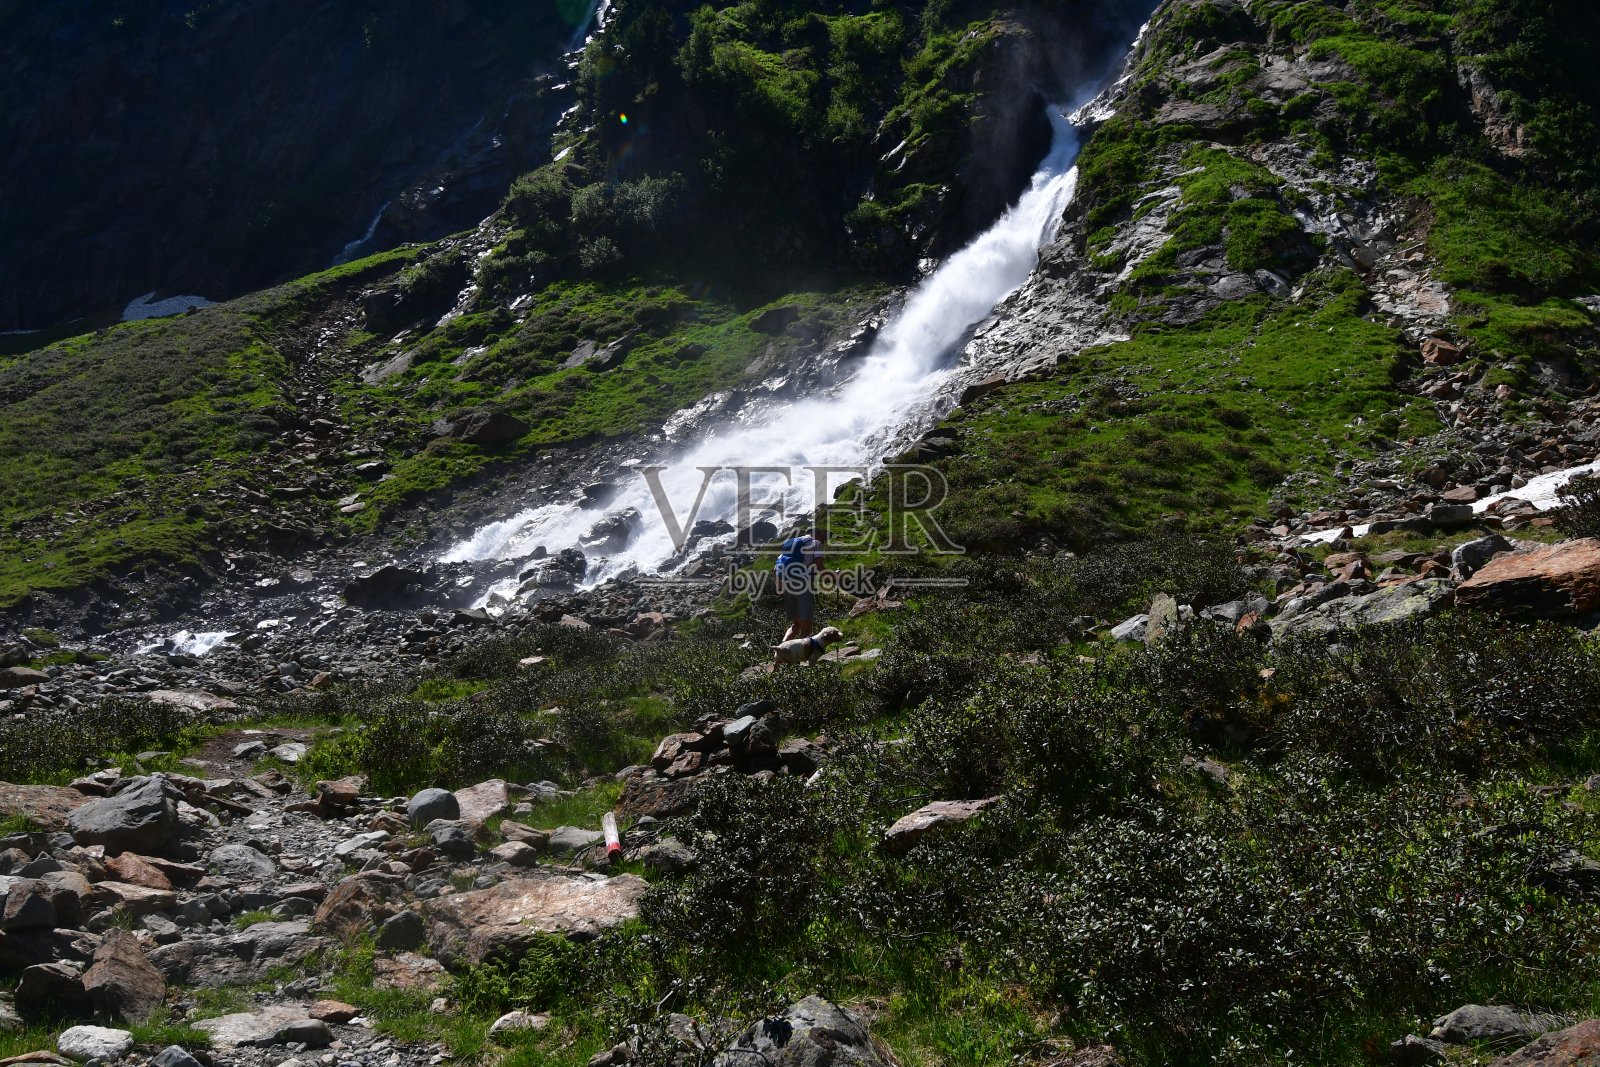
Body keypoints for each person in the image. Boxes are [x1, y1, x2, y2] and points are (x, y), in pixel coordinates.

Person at [774, 530, 824, 641]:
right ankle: (802, 657)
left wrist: (779, 587)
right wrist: (836, 576)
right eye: (822, 535)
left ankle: (781, 655)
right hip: (802, 583)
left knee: (796, 624)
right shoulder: (816, 543)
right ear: (817, 533)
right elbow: (819, 567)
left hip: (786, 582)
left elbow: (778, 565)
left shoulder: (791, 543)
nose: (823, 538)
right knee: (806, 624)